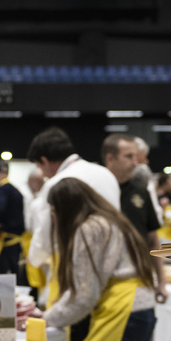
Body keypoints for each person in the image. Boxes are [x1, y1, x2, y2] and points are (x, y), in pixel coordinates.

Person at [37, 179, 159, 341]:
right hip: (137, 308)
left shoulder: (90, 228)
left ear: (65, 208)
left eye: (54, 212)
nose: (53, 219)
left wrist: (45, 319)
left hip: (124, 310)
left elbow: (84, 296)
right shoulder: (109, 220)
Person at [25, 127, 120, 300]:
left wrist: (34, 258)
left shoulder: (56, 184)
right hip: (113, 268)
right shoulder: (105, 173)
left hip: (75, 272)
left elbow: (45, 237)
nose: (42, 173)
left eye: (39, 166)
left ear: (45, 161)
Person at [103, 134, 168, 311]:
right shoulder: (96, 192)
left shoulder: (141, 192)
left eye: (135, 156)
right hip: (104, 291)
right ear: (110, 158)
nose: (135, 163)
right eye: (128, 157)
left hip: (140, 286)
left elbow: (152, 238)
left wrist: (161, 281)